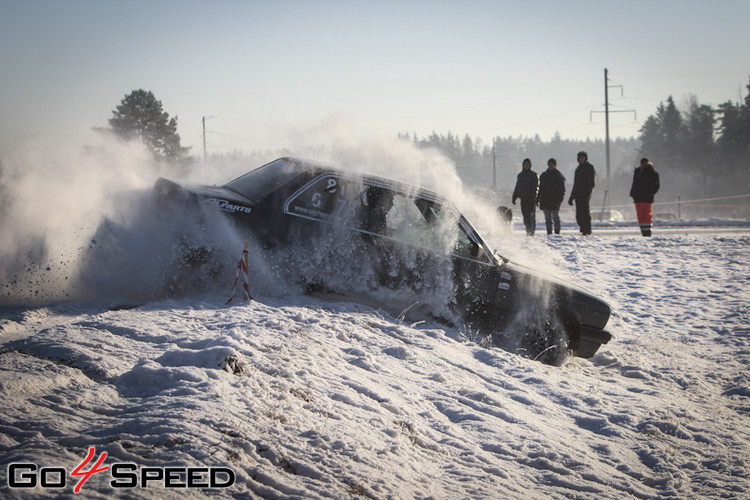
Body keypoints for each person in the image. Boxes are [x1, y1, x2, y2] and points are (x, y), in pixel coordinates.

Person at [629, 158, 660, 236]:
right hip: (638, 198)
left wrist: (650, 193)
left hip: (647, 198)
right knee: (640, 215)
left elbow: (656, 185)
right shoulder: (637, 172)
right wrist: (633, 193)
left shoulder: (652, 173)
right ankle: (643, 231)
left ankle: (647, 231)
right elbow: (634, 183)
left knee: (646, 215)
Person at [568, 151, 596, 235]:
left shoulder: (590, 167)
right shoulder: (578, 169)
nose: (581, 159)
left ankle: (587, 229)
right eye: (580, 158)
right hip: (578, 194)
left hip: (585, 194)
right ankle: (583, 227)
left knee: (585, 212)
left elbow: (591, 182)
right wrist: (571, 197)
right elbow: (575, 183)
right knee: (579, 215)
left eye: (583, 157)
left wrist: (588, 193)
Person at [537, 158, 566, 235]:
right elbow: (540, 189)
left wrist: (559, 200)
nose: (551, 165)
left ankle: (557, 232)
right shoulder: (543, 175)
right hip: (545, 200)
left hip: (555, 200)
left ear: (555, 165)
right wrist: (538, 199)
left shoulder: (558, 176)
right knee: (547, 218)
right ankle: (549, 232)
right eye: (549, 164)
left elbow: (561, 190)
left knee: (555, 217)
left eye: (552, 164)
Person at [512, 158, 539, 235]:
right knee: (525, 216)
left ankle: (531, 231)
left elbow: (536, 188)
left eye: (527, 164)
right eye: (525, 164)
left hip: (531, 200)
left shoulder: (534, 175)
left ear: (530, 165)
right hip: (523, 199)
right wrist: (514, 196)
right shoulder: (520, 175)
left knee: (531, 217)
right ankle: (528, 229)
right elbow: (518, 187)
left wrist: (533, 198)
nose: (526, 166)